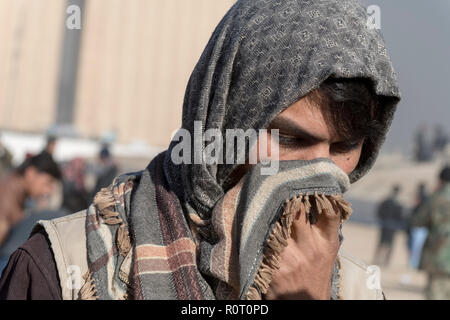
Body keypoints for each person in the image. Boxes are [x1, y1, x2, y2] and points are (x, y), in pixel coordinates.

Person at [0, 0, 400, 300]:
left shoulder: (356, 287)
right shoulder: (65, 269)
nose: (318, 171)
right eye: (290, 139)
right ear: (222, 122)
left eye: (345, 146)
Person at [0, 152, 61, 270]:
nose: (48, 191)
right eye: (47, 183)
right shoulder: (6, 195)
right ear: (31, 173)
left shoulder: (15, 191)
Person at [410, 166, 450, 300]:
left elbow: (418, 221)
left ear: (441, 180)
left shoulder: (436, 198)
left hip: (439, 255)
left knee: (436, 293)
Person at [373, 185, 404, 267]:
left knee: (382, 243)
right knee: (387, 244)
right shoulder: (397, 203)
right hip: (391, 226)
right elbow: (401, 216)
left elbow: (379, 211)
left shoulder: (387, 201)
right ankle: (385, 261)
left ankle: (379, 259)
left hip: (386, 225)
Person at [407, 183, 429, 270]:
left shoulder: (421, 198)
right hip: (422, 227)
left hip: (418, 227)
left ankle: (413, 264)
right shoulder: (427, 197)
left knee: (416, 247)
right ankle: (415, 264)